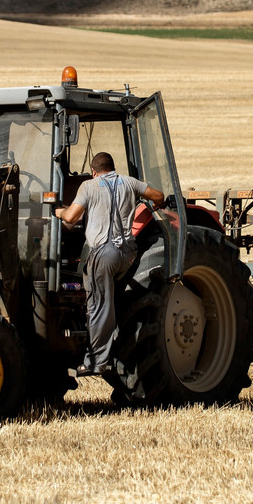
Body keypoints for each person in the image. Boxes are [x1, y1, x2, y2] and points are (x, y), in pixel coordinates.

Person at [54, 151, 164, 376]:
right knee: (109, 302)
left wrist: (58, 212)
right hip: (128, 254)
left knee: (98, 307)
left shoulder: (88, 186)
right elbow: (159, 196)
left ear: (94, 172)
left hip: (104, 254)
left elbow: (72, 218)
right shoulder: (129, 182)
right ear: (112, 168)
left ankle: (96, 362)